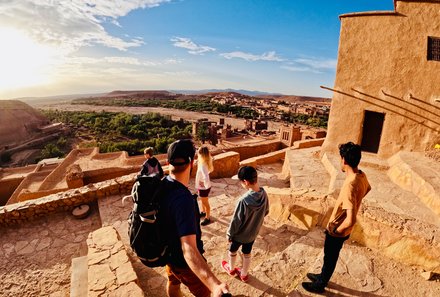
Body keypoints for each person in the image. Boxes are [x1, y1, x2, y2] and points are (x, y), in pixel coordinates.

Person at [160, 139, 229, 297]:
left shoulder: (161, 185)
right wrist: (215, 285)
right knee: (204, 293)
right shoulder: (184, 200)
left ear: (167, 162)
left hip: (167, 254)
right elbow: (188, 248)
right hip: (183, 264)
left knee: (172, 282)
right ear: (191, 163)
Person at [302, 142, 371, 294]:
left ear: (344, 160)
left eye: (340, 158)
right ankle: (322, 276)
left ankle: (320, 284)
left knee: (330, 257)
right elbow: (368, 188)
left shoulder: (350, 185)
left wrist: (335, 231)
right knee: (330, 256)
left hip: (338, 229)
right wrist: (356, 201)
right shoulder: (361, 175)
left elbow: (351, 220)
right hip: (343, 229)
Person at [221, 166, 269, 282]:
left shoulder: (243, 201)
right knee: (247, 253)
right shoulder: (264, 194)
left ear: (246, 182)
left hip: (239, 235)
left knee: (232, 250)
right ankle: (244, 274)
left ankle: (231, 269)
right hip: (252, 234)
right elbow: (266, 211)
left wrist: (229, 234)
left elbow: (236, 221)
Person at [195, 146, 214, 226]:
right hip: (203, 187)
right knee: (202, 200)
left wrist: (204, 184)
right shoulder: (206, 161)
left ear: (202, 155)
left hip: (204, 188)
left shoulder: (203, 165)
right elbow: (210, 170)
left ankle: (207, 217)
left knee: (205, 202)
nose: (197, 155)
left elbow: (206, 175)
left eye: (199, 154)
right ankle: (203, 212)